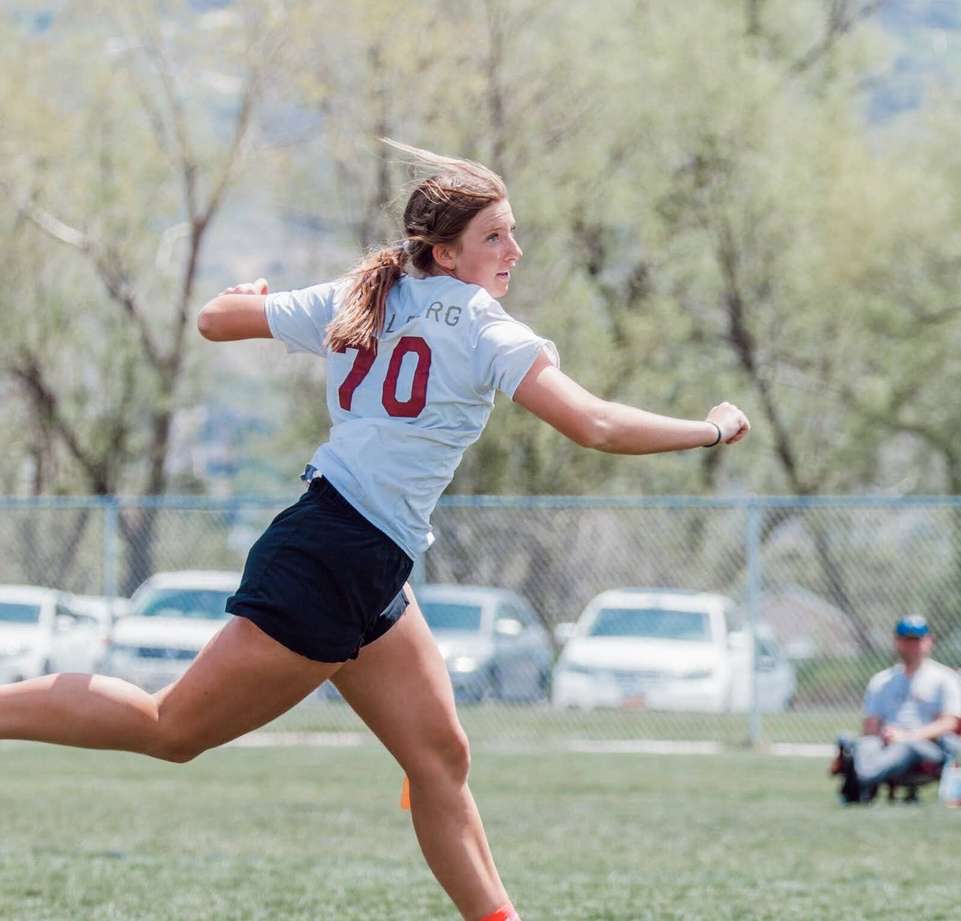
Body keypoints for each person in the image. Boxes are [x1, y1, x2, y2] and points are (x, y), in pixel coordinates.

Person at [0, 144, 750, 921]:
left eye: (512, 233)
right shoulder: (482, 326)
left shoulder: (363, 290)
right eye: (495, 236)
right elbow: (592, 423)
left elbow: (215, 320)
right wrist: (708, 428)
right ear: (445, 250)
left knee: (440, 755)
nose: (514, 251)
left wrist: (251, 293)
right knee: (172, 728)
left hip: (359, 556)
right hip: (335, 554)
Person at [831, 615, 961, 804]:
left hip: (927, 746)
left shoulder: (945, 679)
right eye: (906, 640)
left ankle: (859, 779)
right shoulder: (881, 681)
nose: (912, 646)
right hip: (887, 741)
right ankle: (861, 777)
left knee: (904, 747)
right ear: (897, 642)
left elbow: (950, 723)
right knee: (864, 743)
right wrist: (886, 734)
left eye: (916, 640)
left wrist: (908, 736)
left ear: (929, 641)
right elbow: (870, 726)